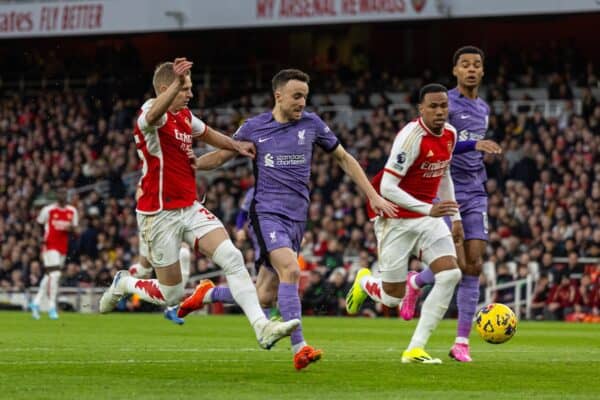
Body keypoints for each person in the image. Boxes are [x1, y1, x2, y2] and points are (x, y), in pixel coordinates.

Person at [177, 68, 398, 370]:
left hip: (297, 218)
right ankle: (300, 348)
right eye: (296, 96)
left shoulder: (312, 124)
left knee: (264, 296)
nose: (302, 103)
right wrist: (193, 166)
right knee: (291, 271)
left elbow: (345, 159)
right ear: (277, 95)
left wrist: (372, 195)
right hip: (266, 212)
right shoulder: (254, 127)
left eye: (305, 97)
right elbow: (222, 155)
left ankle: (208, 293)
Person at [99, 58, 300, 350]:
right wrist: (174, 88)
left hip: (189, 207)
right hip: (159, 214)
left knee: (232, 258)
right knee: (171, 294)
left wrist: (236, 145)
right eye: (185, 88)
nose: (190, 94)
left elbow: (207, 133)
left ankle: (262, 328)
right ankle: (125, 283)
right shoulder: (151, 113)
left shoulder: (184, 116)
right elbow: (154, 114)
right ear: (167, 89)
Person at [346, 83, 462, 364]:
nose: (439, 111)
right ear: (420, 109)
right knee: (392, 298)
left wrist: (454, 216)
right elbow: (387, 187)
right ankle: (366, 283)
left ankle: (415, 349)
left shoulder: (450, 134)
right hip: (394, 219)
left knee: (450, 275)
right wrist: (429, 208)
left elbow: (444, 174)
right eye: (432, 106)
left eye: (443, 106)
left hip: (427, 218)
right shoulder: (411, 138)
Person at [399, 46, 500, 363]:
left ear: (482, 72)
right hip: (444, 191)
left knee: (474, 265)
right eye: (465, 65)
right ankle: (416, 283)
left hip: (476, 191)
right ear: (455, 70)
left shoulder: (483, 108)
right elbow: (437, 143)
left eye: (477, 65)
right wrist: (474, 144)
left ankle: (461, 343)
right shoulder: (446, 104)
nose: (471, 69)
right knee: (455, 264)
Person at [30, 187, 79, 320]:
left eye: (64, 193)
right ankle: (52, 307)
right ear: (56, 196)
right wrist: (40, 240)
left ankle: (35, 303)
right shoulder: (48, 210)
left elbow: (76, 230)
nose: (61, 195)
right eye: (59, 193)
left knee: (49, 276)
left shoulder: (72, 211)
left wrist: (71, 229)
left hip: (62, 248)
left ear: (66, 195)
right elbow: (38, 224)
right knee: (56, 275)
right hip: (49, 246)